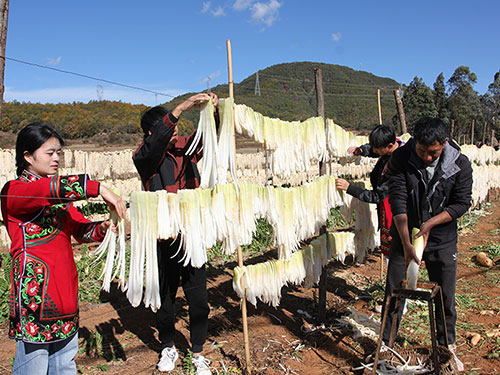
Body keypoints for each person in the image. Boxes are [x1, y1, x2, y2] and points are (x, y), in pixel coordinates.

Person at [1, 122, 126, 375]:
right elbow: (46, 190)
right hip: (35, 300)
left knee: (64, 367)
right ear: (27, 156)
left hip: (65, 294)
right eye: (49, 153)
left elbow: (81, 231)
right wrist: (98, 187)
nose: (56, 158)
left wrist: (105, 228)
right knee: (33, 368)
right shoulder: (14, 192)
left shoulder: (58, 199)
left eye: (59, 152)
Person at [132, 92, 218, 374]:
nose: (176, 130)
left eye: (176, 126)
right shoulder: (144, 157)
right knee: (166, 296)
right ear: (151, 132)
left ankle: (197, 352)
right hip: (164, 236)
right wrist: (180, 107)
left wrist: (212, 112)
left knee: (198, 298)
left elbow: (208, 137)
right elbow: (155, 144)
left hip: (192, 234)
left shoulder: (187, 148)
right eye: (168, 126)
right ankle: (168, 346)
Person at [382, 117, 472, 371]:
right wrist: (407, 242)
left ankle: (446, 349)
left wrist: (432, 223)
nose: (427, 157)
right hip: (404, 236)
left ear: (443, 143)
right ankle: (386, 346)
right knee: (394, 291)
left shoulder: (460, 164)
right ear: (415, 144)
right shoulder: (401, 158)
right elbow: (397, 199)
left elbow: (462, 202)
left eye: (433, 152)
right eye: (422, 152)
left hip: (442, 239)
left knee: (445, 294)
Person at [336, 125, 404, 257]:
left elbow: (377, 196)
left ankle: (398, 275)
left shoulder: (398, 165)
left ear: (389, 146)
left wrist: (349, 188)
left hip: (395, 209)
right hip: (388, 205)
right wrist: (361, 150)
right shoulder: (395, 146)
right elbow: (374, 149)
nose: (374, 151)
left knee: (396, 252)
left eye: (377, 150)